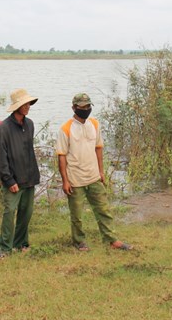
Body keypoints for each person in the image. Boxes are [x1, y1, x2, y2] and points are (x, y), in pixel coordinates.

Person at [56, 93, 132, 252]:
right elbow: (61, 156)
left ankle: (111, 239)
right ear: (74, 108)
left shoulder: (95, 124)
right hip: (75, 179)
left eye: (88, 106)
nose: (86, 109)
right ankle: (79, 242)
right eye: (82, 107)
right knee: (76, 215)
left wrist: (101, 171)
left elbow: (98, 148)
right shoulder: (65, 129)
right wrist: (65, 181)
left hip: (94, 176)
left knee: (103, 209)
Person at [0, 89, 40, 259]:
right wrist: (9, 180)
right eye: (25, 104)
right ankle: (5, 249)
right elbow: (1, 157)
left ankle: (21, 243)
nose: (28, 107)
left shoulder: (30, 124)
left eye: (29, 103)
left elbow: (28, 151)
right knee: (9, 212)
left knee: (26, 213)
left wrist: (34, 176)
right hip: (13, 180)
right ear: (17, 107)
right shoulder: (4, 129)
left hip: (29, 176)